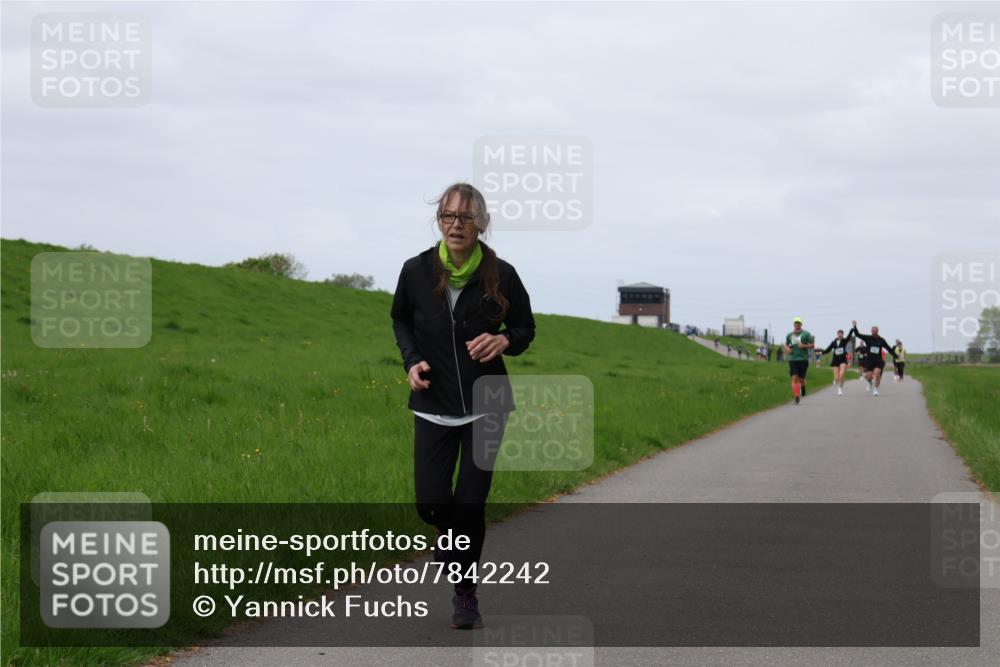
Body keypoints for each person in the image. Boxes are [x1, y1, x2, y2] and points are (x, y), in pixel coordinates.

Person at [391, 182, 536, 629]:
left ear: (482, 224)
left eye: (465, 218)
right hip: (432, 402)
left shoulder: (502, 274)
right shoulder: (416, 271)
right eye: (448, 217)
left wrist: (504, 338)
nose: (456, 225)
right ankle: (447, 533)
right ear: (439, 221)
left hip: (486, 404)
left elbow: (526, 327)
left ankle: (465, 593)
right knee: (431, 504)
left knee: (470, 505)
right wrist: (412, 361)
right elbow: (400, 319)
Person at [848, 320, 897, 397]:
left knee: (877, 374)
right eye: (873, 330)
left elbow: (888, 348)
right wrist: (854, 326)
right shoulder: (868, 338)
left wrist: (896, 355)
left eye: (875, 330)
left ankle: (876, 390)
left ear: (878, 331)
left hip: (878, 361)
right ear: (871, 331)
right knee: (868, 377)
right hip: (869, 361)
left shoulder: (881, 340)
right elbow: (857, 334)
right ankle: (870, 383)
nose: (874, 332)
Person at [784, 317, 815, 404]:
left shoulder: (806, 334)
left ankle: (803, 387)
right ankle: (796, 397)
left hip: (803, 359)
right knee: (794, 377)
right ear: (793, 324)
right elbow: (786, 345)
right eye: (795, 323)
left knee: (801, 379)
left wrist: (804, 346)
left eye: (798, 323)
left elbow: (812, 345)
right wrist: (787, 349)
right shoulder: (789, 335)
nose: (797, 325)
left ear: (801, 324)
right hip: (793, 359)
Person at [821, 329, 853, 395]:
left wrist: (853, 327)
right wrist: (822, 352)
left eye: (841, 334)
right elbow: (828, 349)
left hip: (843, 360)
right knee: (836, 377)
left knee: (841, 375)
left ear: (843, 335)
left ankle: (840, 389)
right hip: (835, 360)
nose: (840, 335)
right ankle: (835, 380)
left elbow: (849, 335)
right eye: (839, 334)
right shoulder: (834, 342)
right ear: (837, 334)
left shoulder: (844, 341)